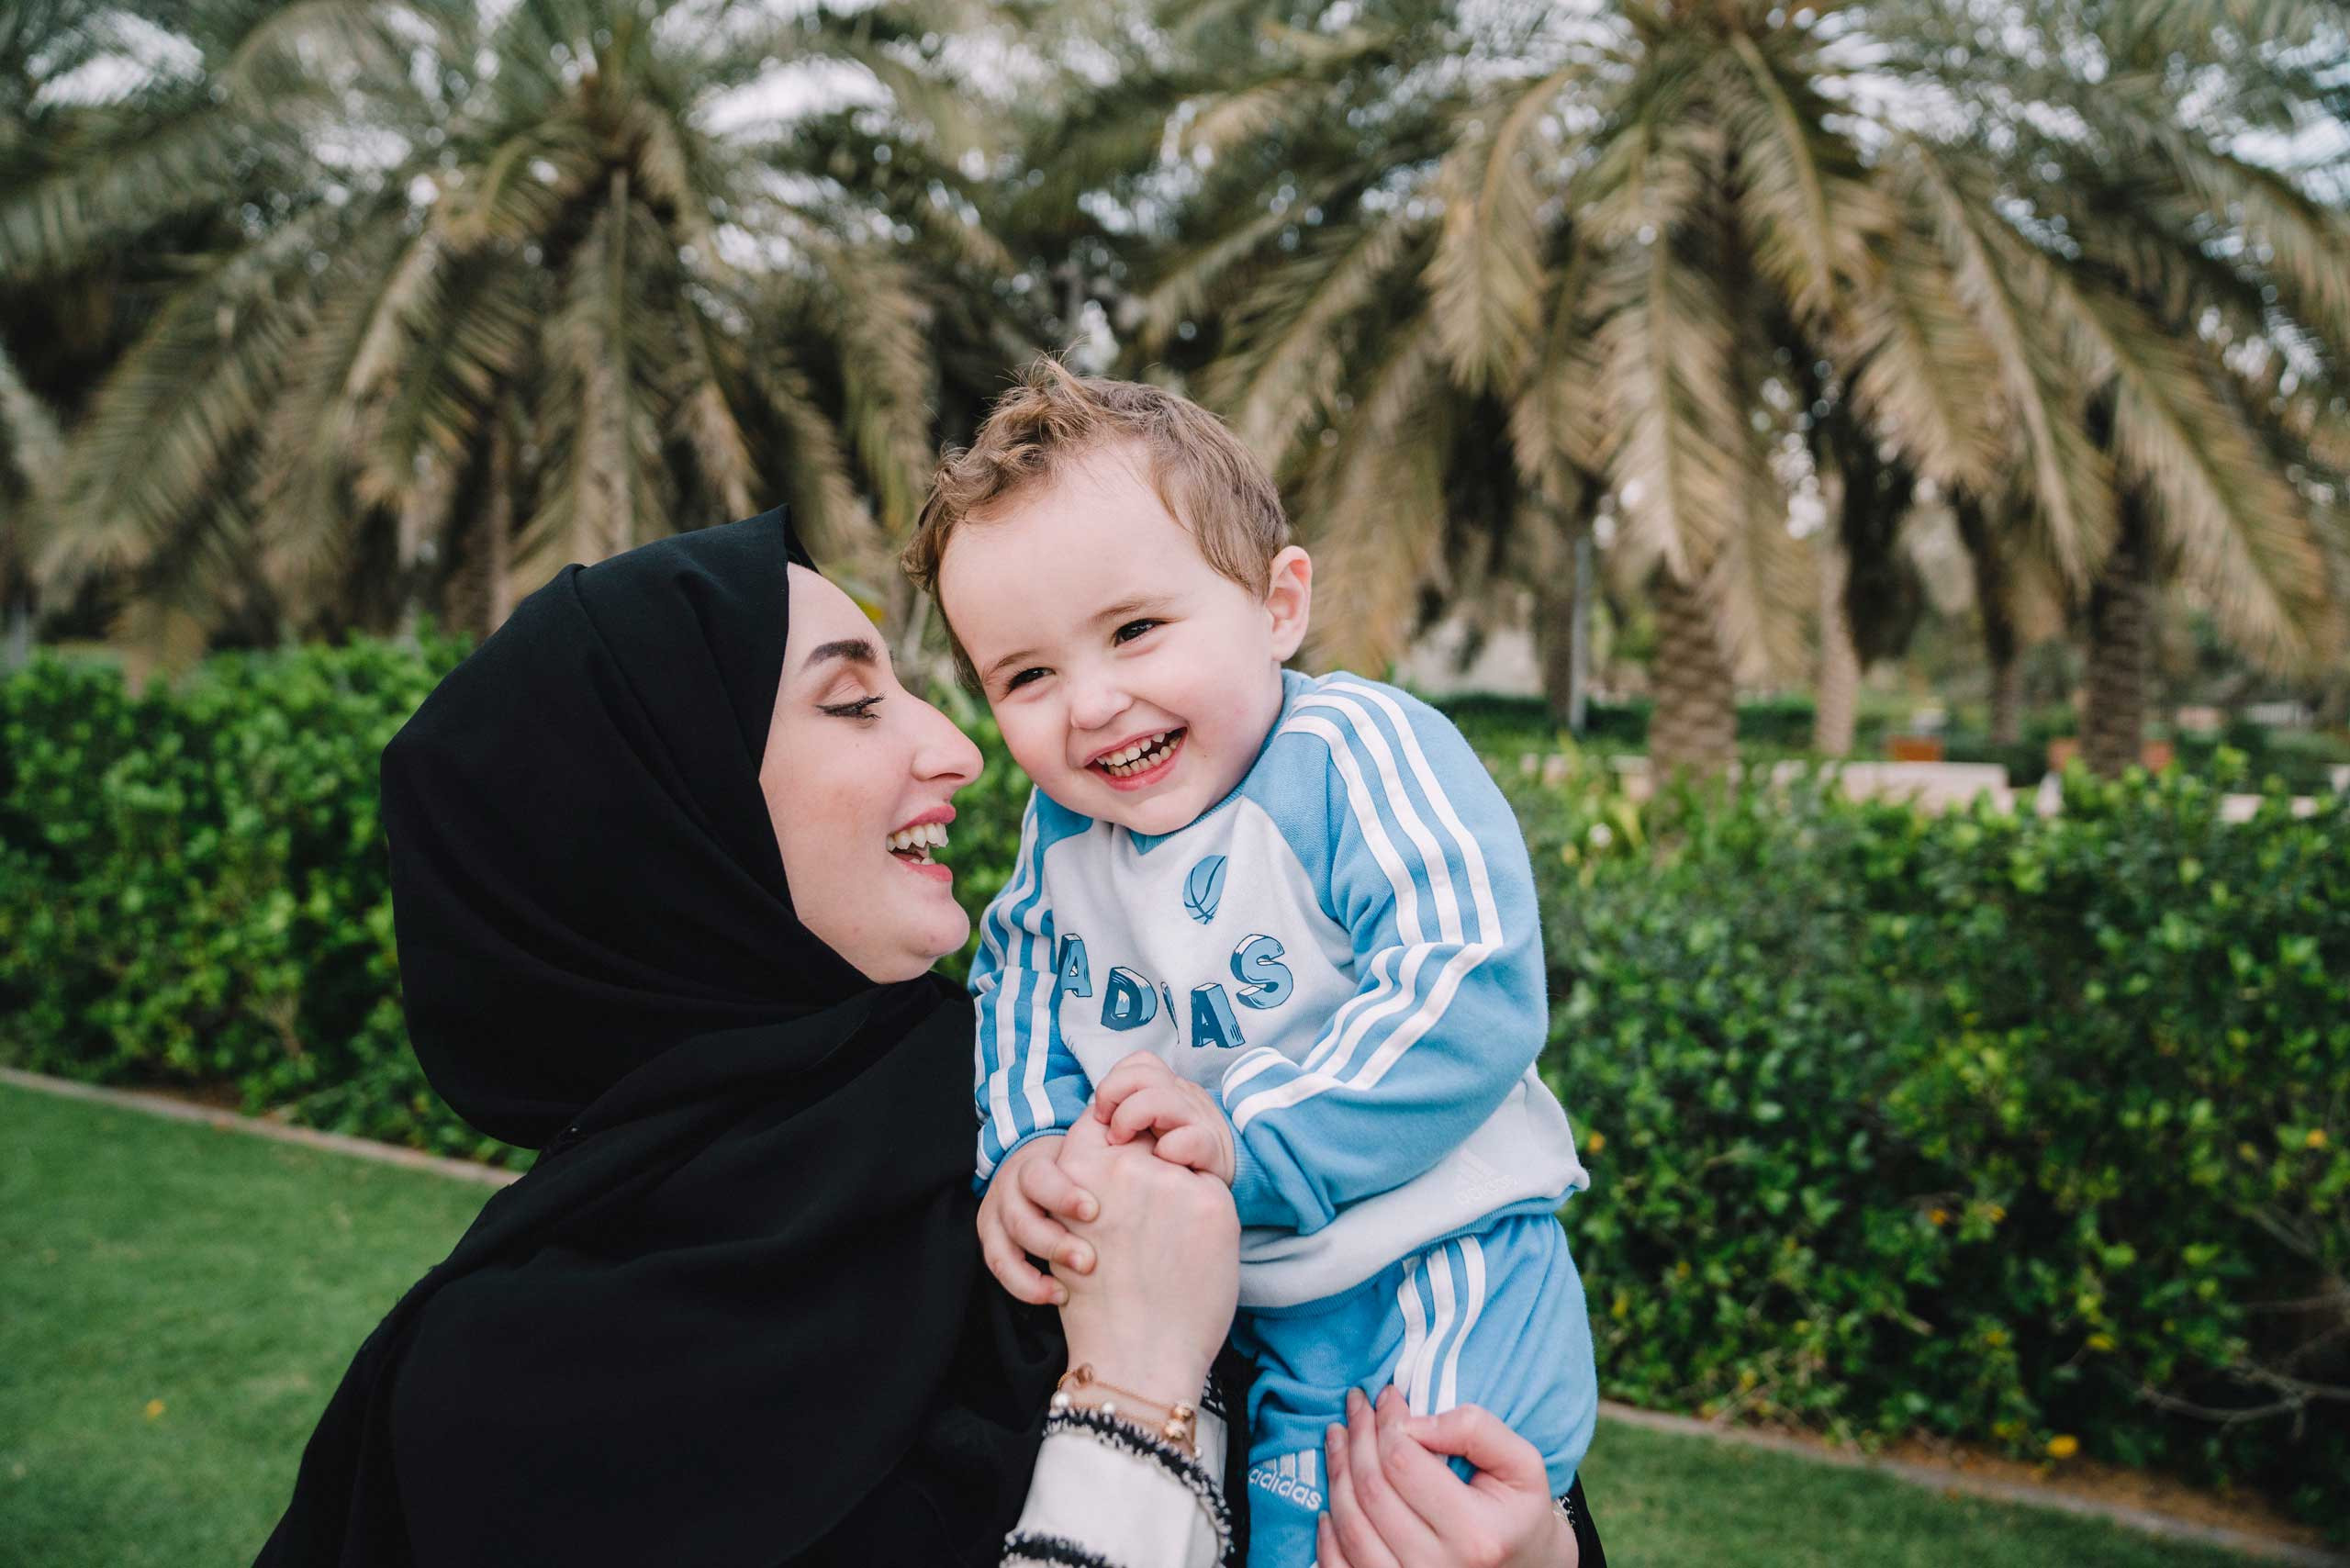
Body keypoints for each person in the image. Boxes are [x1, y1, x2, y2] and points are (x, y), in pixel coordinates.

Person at [254, 507, 1590, 1567]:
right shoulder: (507, 1392)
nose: (963, 749)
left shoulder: (1055, 1115)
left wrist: (1531, 1552)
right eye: (854, 704)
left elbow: (1410, 1405)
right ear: (658, 836)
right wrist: (1130, 1394)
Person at [899, 362, 1602, 1567]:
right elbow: (1014, 997)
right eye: (1027, 676)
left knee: (1404, 1537)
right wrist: (1028, 1153)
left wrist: (1248, 1135)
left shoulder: (1350, 754)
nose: (1094, 702)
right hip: (1266, 1317)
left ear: (1279, 605)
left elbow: (1470, 982)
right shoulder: (1067, 844)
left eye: (1134, 630)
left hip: (1434, 1266)